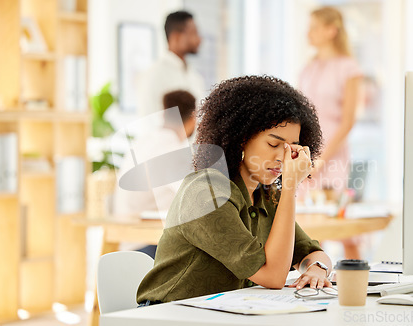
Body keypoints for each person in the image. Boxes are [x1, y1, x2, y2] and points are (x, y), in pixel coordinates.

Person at [136, 75, 332, 306]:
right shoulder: (206, 192)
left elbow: (311, 252)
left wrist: (317, 270)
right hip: (167, 316)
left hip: (223, 313)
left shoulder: (265, 194)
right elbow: (272, 276)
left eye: (291, 148)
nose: (283, 158)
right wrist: (289, 186)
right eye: (273, 144)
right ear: (241, 139)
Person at [298, 6, 363, 259]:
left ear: (331, 30)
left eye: (314, 27)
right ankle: (316, 282)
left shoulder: (349, 68)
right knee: (310, 228)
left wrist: (322, 159)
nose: (309, 33)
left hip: (333, 154)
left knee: (341, 225)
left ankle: (360, 283)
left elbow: (348, 122)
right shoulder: (308, 68)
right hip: (307, 152)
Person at [113, 90, 197, 257]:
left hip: (127, 240)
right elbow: (193, 195)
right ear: (194, 117)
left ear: (164, 114)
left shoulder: (144, 141)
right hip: (148, 246)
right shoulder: (170, 148)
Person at [138, 11, 204, 117]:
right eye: (194, 33)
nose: (200, 39)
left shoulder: (194, 76)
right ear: (176, 37)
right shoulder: (154, 75)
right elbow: (149, 122)